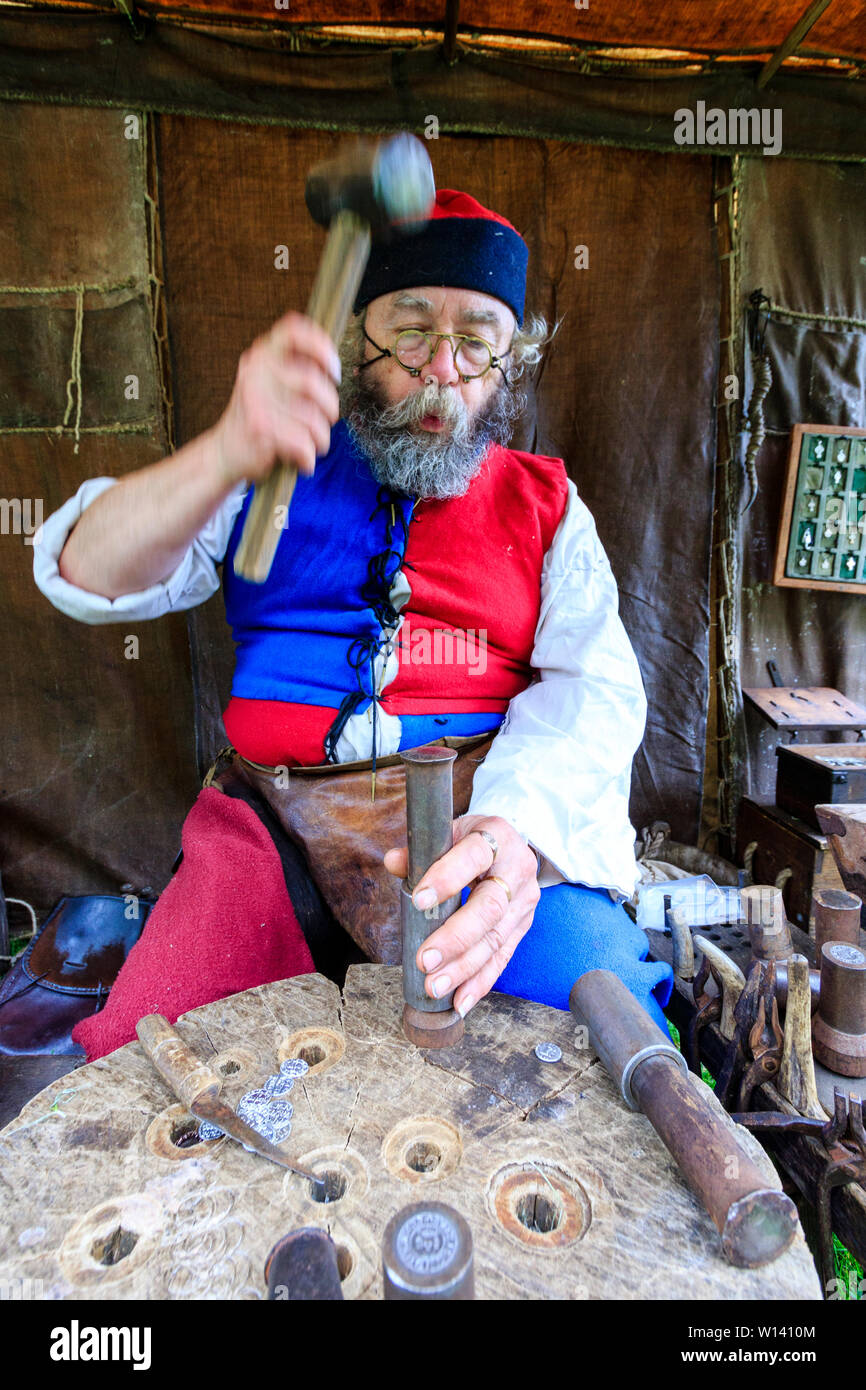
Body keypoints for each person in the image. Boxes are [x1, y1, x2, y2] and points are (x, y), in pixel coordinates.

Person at [34, 189, 673, 1054]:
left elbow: (594, 688)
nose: (441, 367)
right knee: (158, 1063)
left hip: (472, 823)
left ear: (507, 362)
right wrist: (225, 448)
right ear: (358, 337)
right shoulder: (269, 461)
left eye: (477, 340)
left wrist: (516, 830)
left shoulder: (548, 507)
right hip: (274, 833)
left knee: (606, 1047)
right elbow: (86, 570)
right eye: (411, 330)